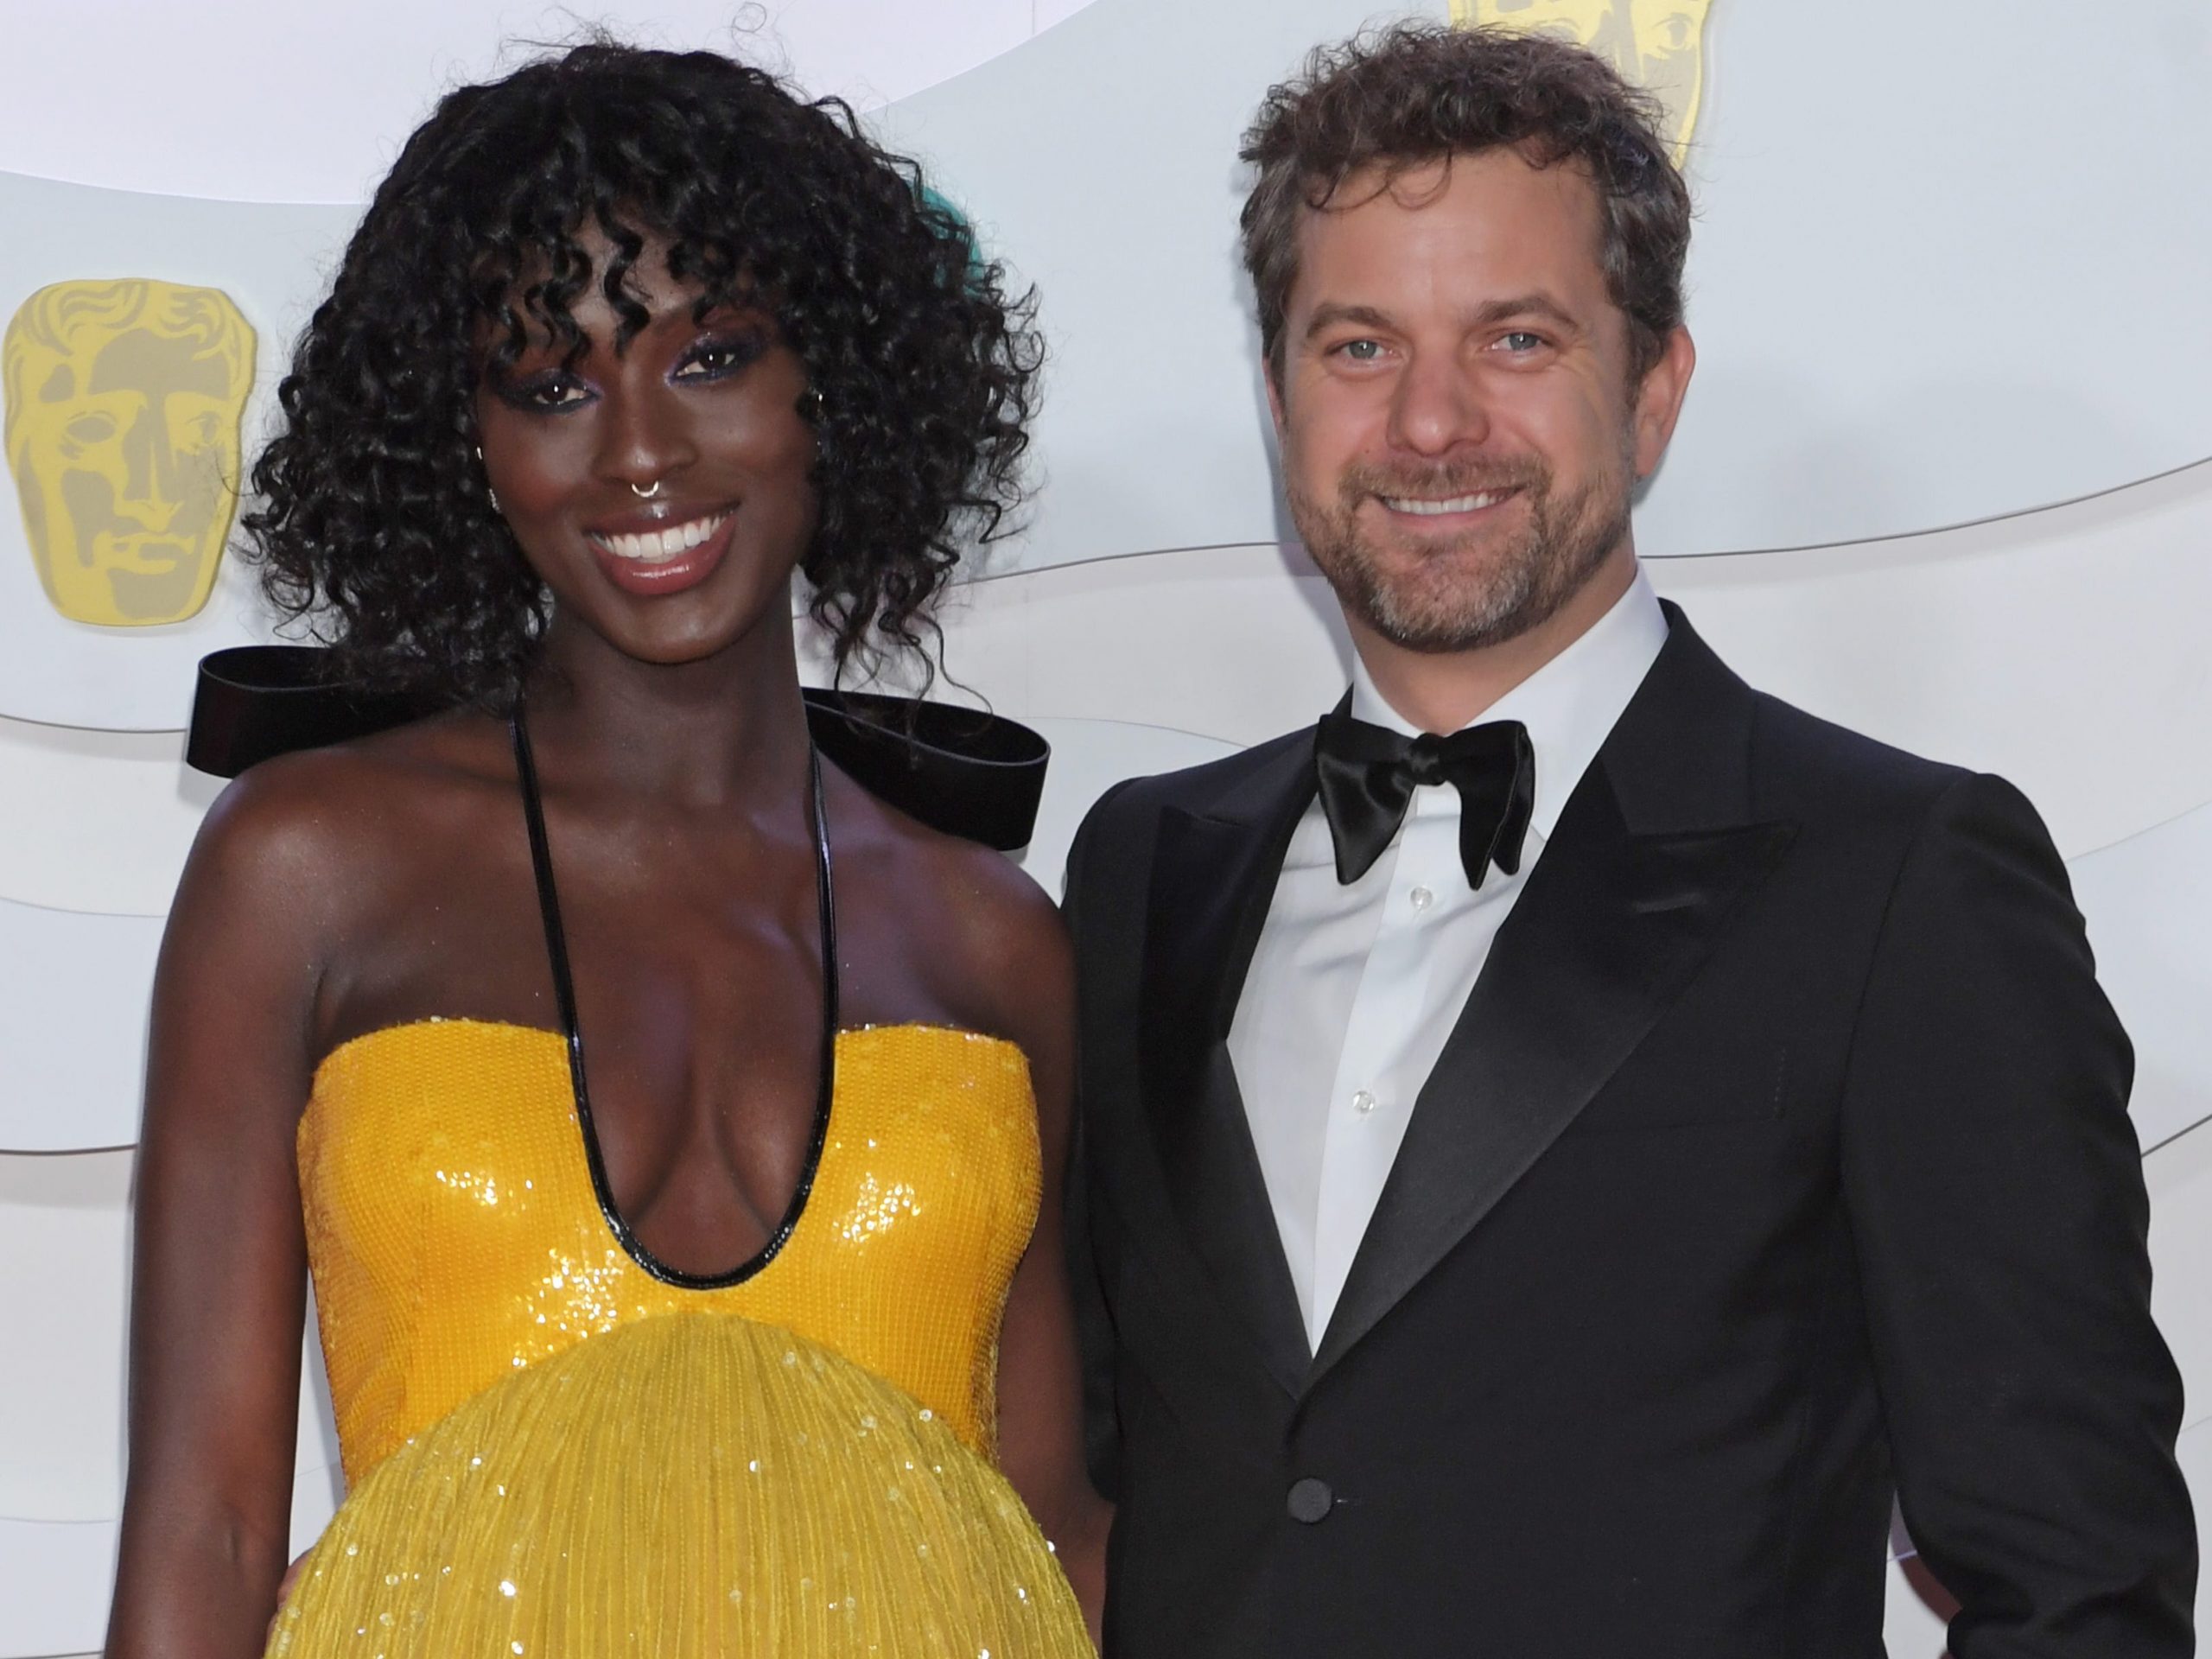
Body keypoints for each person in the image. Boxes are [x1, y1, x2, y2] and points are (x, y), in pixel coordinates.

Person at [1062, 22, 2196, 1656]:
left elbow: (2077, 1585)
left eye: (1515, 339)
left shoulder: (1899, 880)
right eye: (1360, 346)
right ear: (1277, 396)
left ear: (1652, 390)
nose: (1431, 423)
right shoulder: (1143, 869)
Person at [105, 41, 1103, 1658]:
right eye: (552, 384)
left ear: (828, 382)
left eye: (709, 358)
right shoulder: (304, 868)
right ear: (465, 446)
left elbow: (1052, 1537)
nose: (638, 451)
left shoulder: (996, 936)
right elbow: (208, 1536)